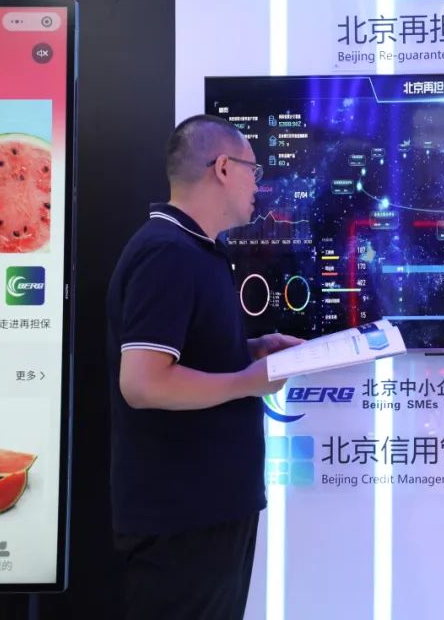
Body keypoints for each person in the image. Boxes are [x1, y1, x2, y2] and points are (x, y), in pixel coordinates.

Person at [106, 115, 303, 620]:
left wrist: (249, 348)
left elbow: (184, 354)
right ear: (222, 168)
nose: (258, 186)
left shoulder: (198, 250)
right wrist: (247, 382)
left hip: (210, 511)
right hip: (183, 522)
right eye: (254, 172)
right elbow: (143, 382)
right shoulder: (167, 253)